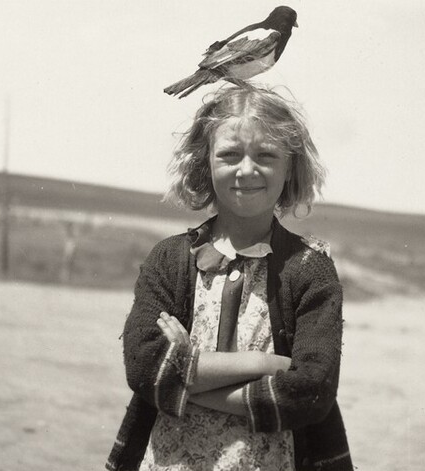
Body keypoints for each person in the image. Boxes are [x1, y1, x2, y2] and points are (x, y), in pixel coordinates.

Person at [106, 85, 352, 471]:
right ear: (205, 163)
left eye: (267, 155)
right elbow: (143, 366)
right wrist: (264, 363)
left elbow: (312, 390)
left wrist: (185, 373)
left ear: (291, 168)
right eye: (230, 154)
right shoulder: (170, 259)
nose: (247, 169)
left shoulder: (309, 269)